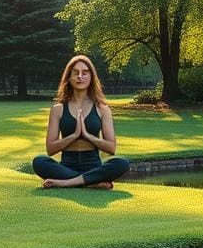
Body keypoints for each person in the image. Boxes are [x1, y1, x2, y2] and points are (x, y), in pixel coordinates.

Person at [33, 55, 130, 189]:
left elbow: (111, 148)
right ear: (69, 77)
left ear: (91, 77)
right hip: (67, 165)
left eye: (85, 73)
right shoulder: (58, 109)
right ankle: (90, 182)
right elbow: (50, 149)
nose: (80, 76)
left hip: (93, 165)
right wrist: (74, 135)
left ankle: (67, 183)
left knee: (122, 163)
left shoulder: (102, 108)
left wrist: (87, 136)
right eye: (76, 73)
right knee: (39, 161)